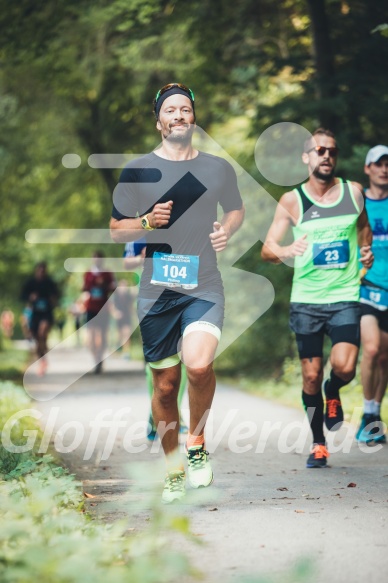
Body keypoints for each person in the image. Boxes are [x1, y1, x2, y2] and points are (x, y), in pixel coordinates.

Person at [110, 82, 244, 502]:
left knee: (199, 365)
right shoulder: (137, 170)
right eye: (171, 110)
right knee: (166, 387)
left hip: (203, 283)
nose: (180, 115)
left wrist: (228, 229)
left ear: (194, 118)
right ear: (159, 122)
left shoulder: (217, 169)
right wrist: (147, 222)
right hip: (156, 290)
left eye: (185, 108)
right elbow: (116, 231)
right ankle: (172, 471)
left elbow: (235, 209)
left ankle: (197, 443)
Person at [261, 128, 373, 468]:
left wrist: (365, 253)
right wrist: (285, 249)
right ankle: (319, 443)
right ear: (306, 157)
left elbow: (364, 227)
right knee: (309, 376)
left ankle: (334, 389)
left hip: (345, 296)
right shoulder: (293, 200)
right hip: (307, 300)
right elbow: (267, 249)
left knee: (345, 367)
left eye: (332, 151)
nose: (327, 155)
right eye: (320, 150)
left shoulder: (353, 192)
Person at [123, 239, 188, 441]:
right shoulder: (140, 226)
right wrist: (143, 255)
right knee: (157, 361)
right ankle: (155, 414)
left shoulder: (185, 217)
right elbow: (127, 262)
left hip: (185, 293)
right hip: (153, 297)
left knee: (185, 357)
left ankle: (174, 412)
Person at [356, 145, 388, 443]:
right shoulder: (358, 202)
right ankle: (367, 412)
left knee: (385, 356)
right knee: (372, 348)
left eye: (387, 164)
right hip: (366, 286)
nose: (384, 169)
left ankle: (374, 413)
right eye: (378, 164)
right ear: (368, 169)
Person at [20, 261, 60, 375]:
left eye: (44, 271)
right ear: (36, 271)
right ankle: (42, 360)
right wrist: (30, 297)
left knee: (42, 333)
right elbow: (22, 296)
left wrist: (53, 299)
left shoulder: (49, 283)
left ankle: (43, 353)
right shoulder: (30, 283)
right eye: (40, 271)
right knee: (38, 340)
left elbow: (57, 296)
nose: (42, 273)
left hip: (46, 314)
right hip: (35, 315)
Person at [82, 250, 116, 374]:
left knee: (101, 336)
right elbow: (84, 288)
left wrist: (107, 286)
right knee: (91, 338)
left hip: (103, 309)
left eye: (99, 258)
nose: (97, 260)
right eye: (95, 257)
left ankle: (100, 359)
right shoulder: (88, 274)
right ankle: (95, 358)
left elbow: (113, 287)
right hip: (90, 308)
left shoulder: (107, 274)